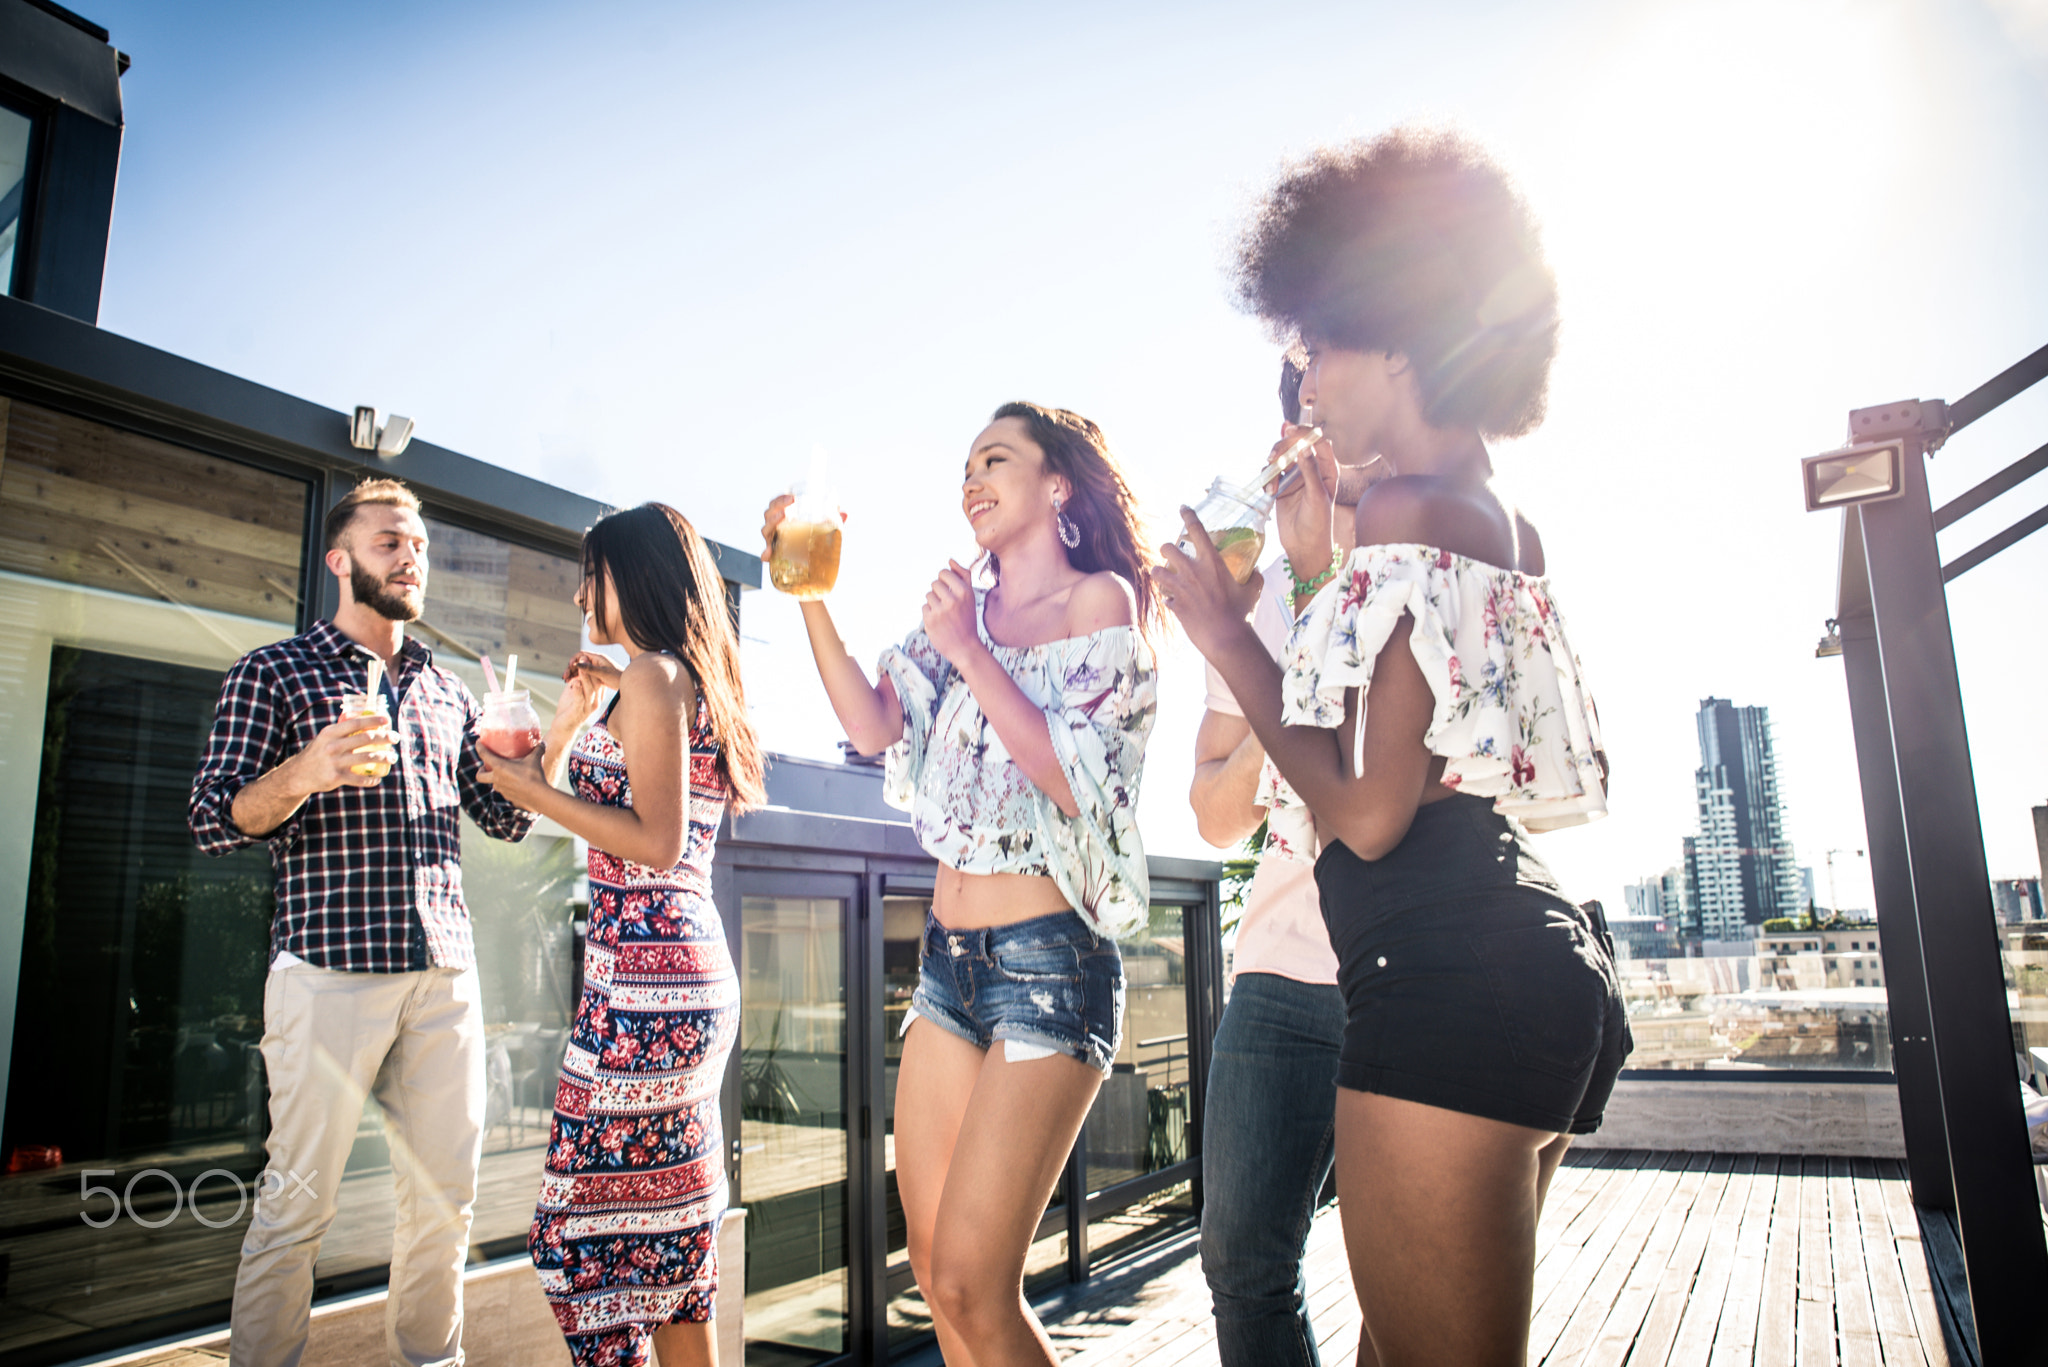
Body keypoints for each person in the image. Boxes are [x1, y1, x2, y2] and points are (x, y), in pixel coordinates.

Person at [1157, 129, 1627, 1367]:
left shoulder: (1413, 514)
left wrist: (1222, 628)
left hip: (1438, 982)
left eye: (1318, 342)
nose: (1304, 381)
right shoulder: (1493, 516)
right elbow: (1437, 767)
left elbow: (1365, 812)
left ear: (1399, 333)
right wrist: (1313, 572)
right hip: (1526, 953)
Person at [761, 401, 1159, 1366]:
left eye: (996, 459)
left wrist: (974, 650)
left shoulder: (1097, 603)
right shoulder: (952, 613)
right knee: (938, 1274)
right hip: (948, 973)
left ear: (1058, 484)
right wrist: (809, 587)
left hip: (1049, 969)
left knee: (981, 1287)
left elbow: (1072, 779)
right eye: (967, 465)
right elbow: (869, 725)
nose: (971, 479)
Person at [189, 477, 536, 1367]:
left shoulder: (448, 690)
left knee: (445, 1201)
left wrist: (546, 739)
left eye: (418, 545)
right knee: (297, 1202)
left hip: (443, 975)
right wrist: (305, 770)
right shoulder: (272, 673)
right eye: (390, 542)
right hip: (328, 970)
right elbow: (213, 819)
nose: (410, 556)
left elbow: (504, 818)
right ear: (341, 560)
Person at [477, 503, 765, 1367]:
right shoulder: (675, 680)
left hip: (643, 982)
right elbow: (615, 811)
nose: (578, 592)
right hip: (678, 977)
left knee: (572, 1243)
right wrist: (570, 720)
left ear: (627, 577)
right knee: (673, 1251)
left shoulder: (653, 677)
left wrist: (531, 794)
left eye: (589, 574)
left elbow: (654, 841)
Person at [1192, 359, 1382, 1367]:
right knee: (1241, 1260)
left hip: (1411, 958)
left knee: (1402, 1282)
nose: (1322, 427)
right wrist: (1283, 669)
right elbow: (1212, 813)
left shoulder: (1423, 553)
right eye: (1303, 411)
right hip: (1280, 974)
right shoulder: (1255, 596)